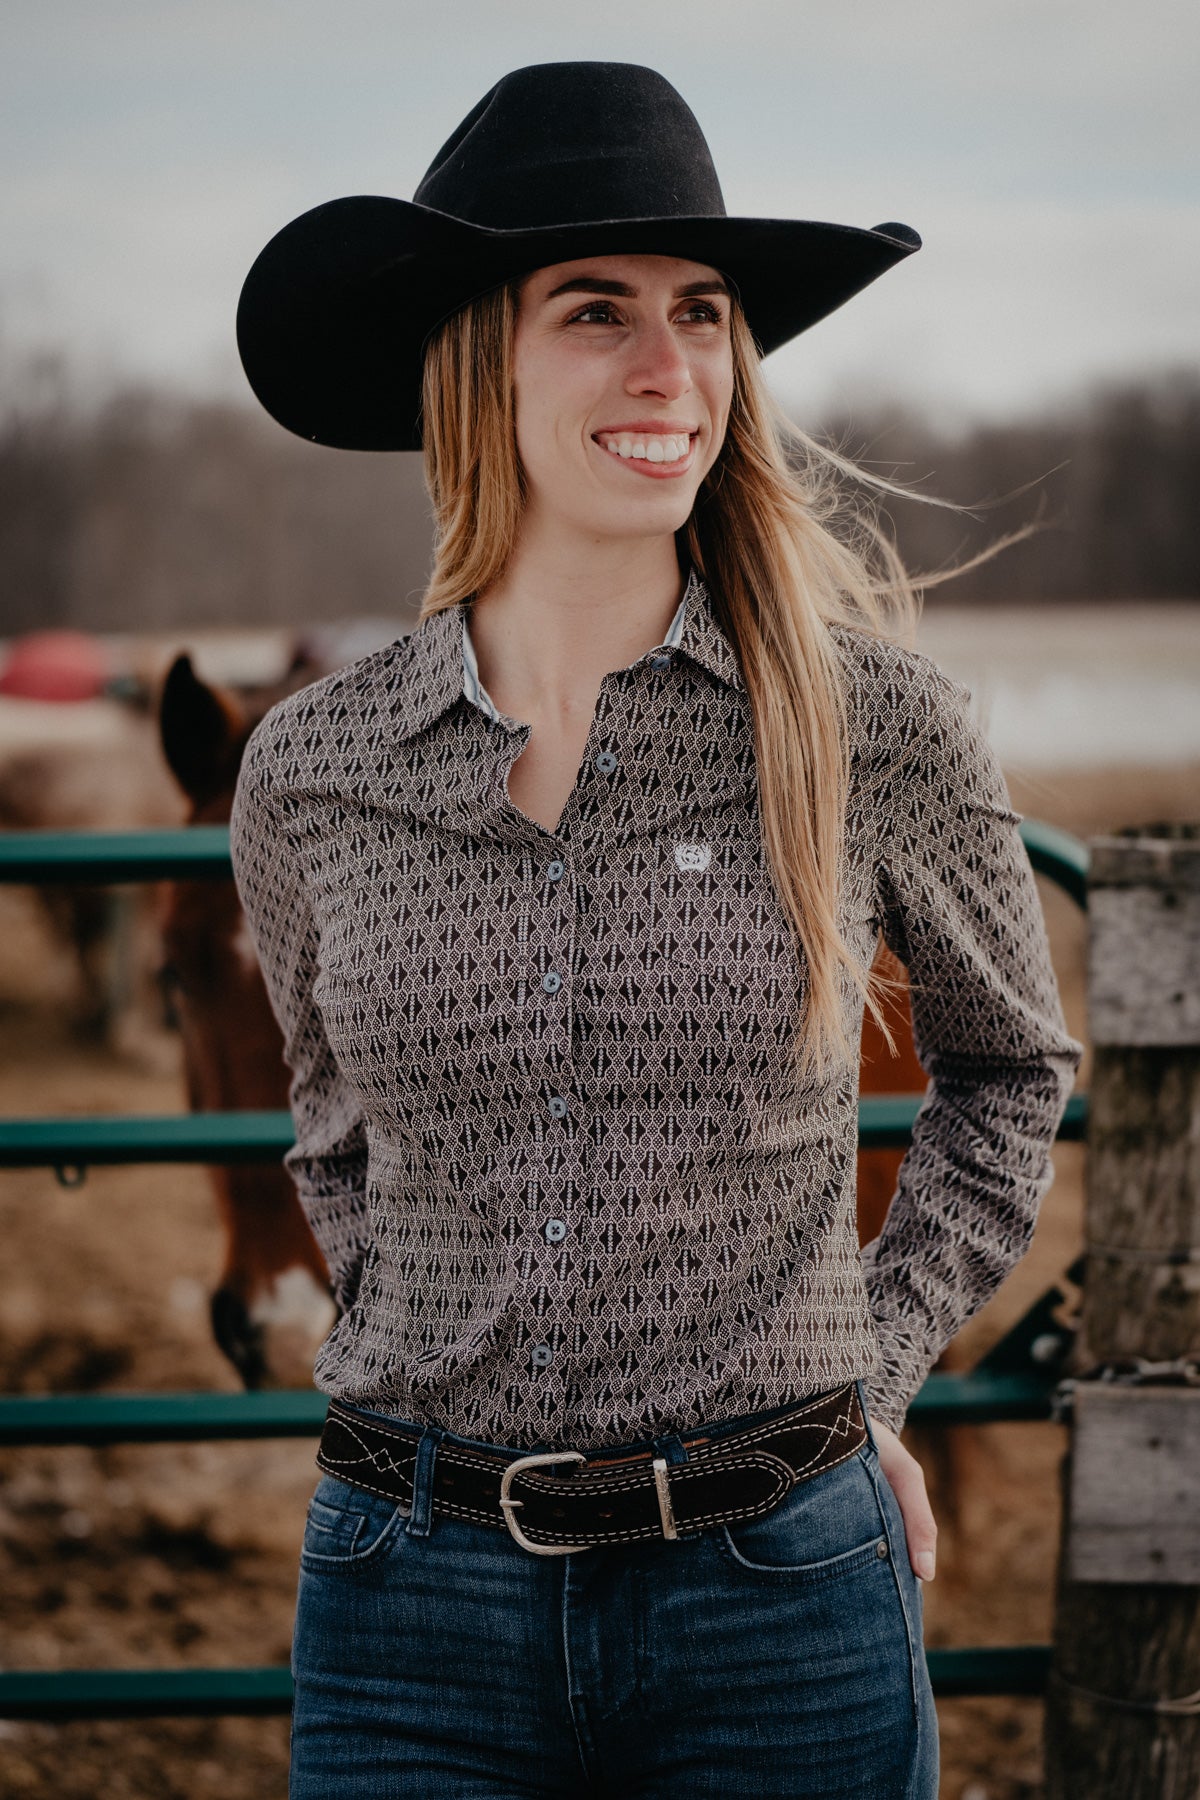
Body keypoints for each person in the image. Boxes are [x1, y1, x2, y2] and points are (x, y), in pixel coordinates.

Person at [231, 61, 1081, 1800]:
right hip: (411, 1603)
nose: (666, 366)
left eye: (702, 312)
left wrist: (872, 1371)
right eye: (595, 310)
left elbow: (1011, 1074)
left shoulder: (872, 726)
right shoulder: (311, 771)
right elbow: (333, 1128)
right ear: (478, 362)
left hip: (777, 1597)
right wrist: (427, 1336)